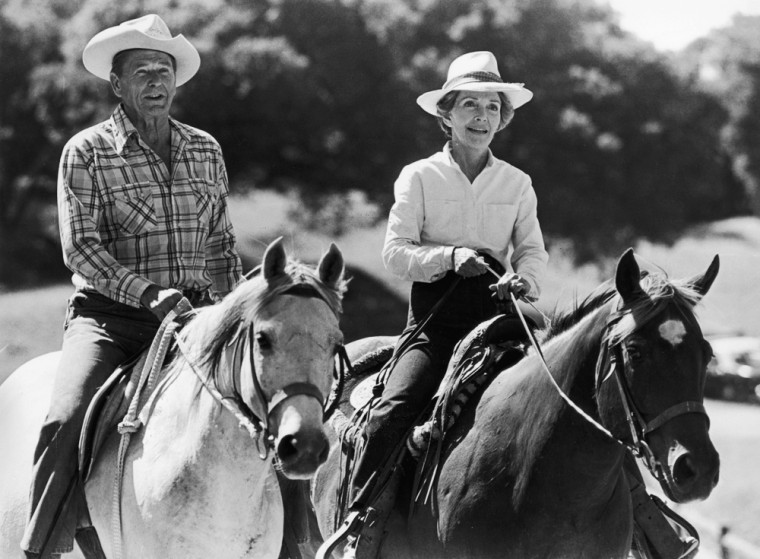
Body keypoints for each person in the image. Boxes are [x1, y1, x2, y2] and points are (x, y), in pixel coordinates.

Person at [21, 15, 242, 559]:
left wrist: (237, 310)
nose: (156, 82)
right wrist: (147, 293)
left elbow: (220, 244)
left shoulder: (206, 150)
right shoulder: (86, 151)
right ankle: (41, 545)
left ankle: (299, 538)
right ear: (117, 84)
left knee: (270, 403)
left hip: (196, 320)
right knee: (64, 418)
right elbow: (81, 250)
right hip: (111, 320)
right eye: (142, 72)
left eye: (164, 71)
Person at [345, 51, 549, 557]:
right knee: (393, 410)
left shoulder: (517, 182)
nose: (483, 118)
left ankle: (638, 521)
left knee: (571, 393)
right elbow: (394, 253)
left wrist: (524, 281)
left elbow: (531, 251)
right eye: (470, 107)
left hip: (502, 322)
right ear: (446, 115)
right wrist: (450, 257)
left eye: (492, 108)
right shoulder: (418, 176)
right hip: (437, 323)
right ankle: (360, 524)